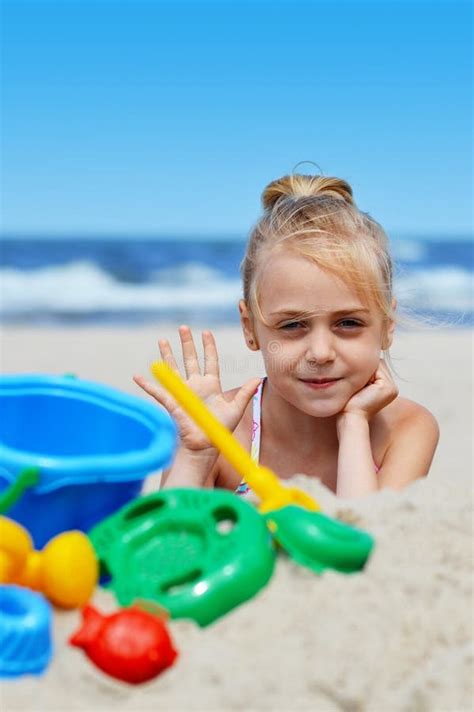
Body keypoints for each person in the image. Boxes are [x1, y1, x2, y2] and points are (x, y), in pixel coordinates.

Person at [134, 173, 439, 497]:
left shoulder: (406, 429)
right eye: (293, 325)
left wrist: (354, 424)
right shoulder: (220, 426)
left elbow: (366, 537)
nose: (320, 353)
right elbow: (171, 542)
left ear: (387, 326)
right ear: (249, 328)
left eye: (348, 323)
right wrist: (194, 456)